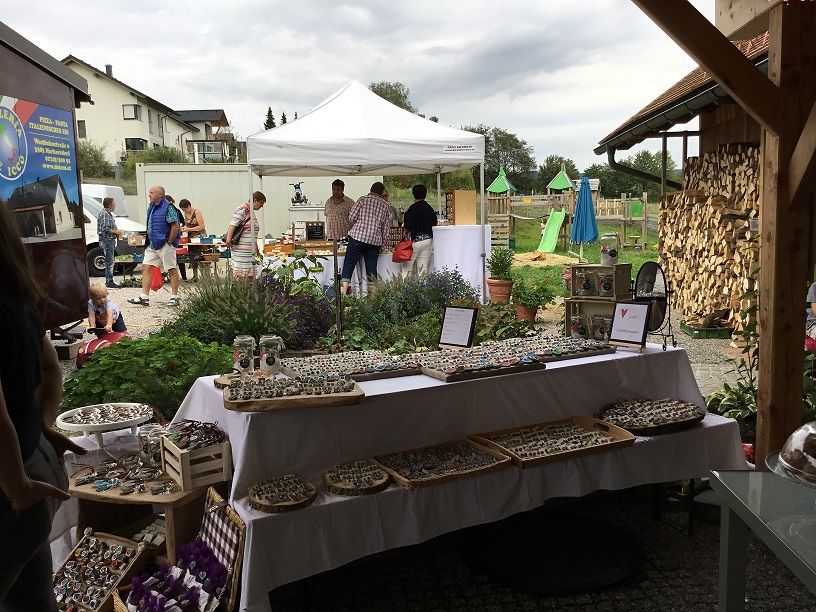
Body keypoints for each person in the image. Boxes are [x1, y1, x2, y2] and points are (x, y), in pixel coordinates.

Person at [0, 202, 84, 610]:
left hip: (12, 489)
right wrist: (44, 425)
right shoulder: (17, 297)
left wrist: (17, 486)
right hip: (36, 463)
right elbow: (51, 368)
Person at [128, 185, 181, 307]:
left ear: (160, 195)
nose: (149, 195)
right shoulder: (151, 207)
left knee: (171, 269)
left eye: (152, 193)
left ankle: (174, 297)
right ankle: (144, 297)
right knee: (145, 267)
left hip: (165, 244)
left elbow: (175, 227)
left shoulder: (169, 208)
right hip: (152, 244)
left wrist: (169, 242)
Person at [340, 182, 392, 293]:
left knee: (348, 265)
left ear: (371, 190)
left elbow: (351, 217)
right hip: (374, 241)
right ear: (382, 192)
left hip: (357, 237)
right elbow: (386, 229)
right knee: (371, 271)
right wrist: (382, 245)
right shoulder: (386, 205)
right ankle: (373, 299)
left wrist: (360, 223)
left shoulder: (362, 199)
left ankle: (342, 295)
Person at [225, 191, 266, 278]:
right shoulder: (243, 209)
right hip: (242, 252)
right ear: (255, 200)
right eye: (261, 203)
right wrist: (228, 240)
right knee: (243, 276)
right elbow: (233, 224)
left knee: (249, 277)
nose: (262, 206)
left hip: (249, 252)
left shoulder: (250, 211)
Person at [401, 184, 437, 277]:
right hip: (428, 240)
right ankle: (423, 286)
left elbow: (407, 227)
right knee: (422, 269)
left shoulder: (412, 209)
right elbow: (434, 224)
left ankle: (405, 286)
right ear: (425, 194)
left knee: (406, 269)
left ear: (413, 194)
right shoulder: (430, 209)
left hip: (415, 241)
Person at [97, 197, 123, 289]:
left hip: (108, 240)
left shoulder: (107, 213)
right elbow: (105, 229)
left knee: (110, 261)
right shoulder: (105, 214)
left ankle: (109, 281)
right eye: (114, 203)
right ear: (110, 205)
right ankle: (109, 282)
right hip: (107, 240)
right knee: (110, 262)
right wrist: (116, 232)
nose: (115, 205)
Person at [178, 198, 206, 282]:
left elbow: (202, 226)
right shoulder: (185, 214)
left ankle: (205, 277)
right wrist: (183, 228)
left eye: (185, 209)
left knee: (201, 256)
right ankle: (195, 276)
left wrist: (189, 229)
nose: (184, 211)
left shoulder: (197, 212)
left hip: (200, 237)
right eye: (182, 210)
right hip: (191, 237)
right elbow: (187, 225)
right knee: (192, 257)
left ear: (189, 206)